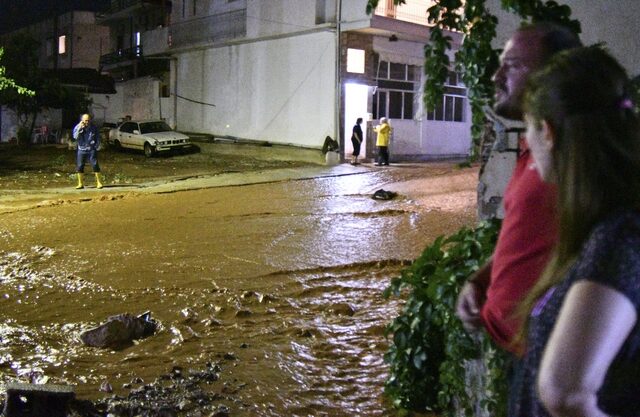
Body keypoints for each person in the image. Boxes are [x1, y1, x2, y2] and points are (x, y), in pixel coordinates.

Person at [510, 46, 640, 417]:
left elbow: (564, 393)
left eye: (527, 129)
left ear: (547, 133)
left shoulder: (619, 237)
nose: (526, 144)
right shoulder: (606, 225)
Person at [455, 23, 582, 354]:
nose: (496, 77)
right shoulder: (532, 151)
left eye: (512, 65)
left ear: (553, 73)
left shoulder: (574, 162)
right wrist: (480, 280)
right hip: (517, 349)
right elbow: (527, 237)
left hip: (549, 356)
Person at [72, 113, 103, 189]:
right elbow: (75, 137)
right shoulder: (77, 127)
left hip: (91, 149)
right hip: (81, 150)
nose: (87, 122)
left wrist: (96, 146)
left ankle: (99, 182)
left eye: (88, 120)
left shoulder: (93, 128)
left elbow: (98, 138)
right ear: (82, 120)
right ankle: (80, 184)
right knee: (80, 166)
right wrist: (80, 128)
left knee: (95, 165)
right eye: (85, 120)